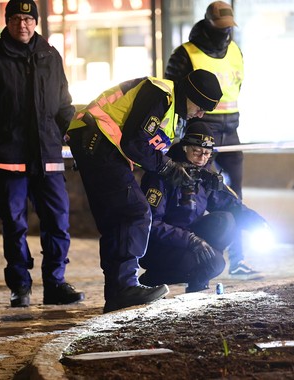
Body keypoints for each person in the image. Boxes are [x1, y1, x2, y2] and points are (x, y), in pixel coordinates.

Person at [66, 69, 223, 313]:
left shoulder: (171, 113)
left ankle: (117, 292)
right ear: (190, 94)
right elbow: (133, 142)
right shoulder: (160, 93)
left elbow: (148, 149)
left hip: (95, 143)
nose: (200, 114)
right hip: (98, 140)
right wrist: (168, 168)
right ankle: (126, 286)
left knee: (115, 220)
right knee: (136, 211)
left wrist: (183, 170)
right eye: (201, 107)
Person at [0, 0, 84, 308]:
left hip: (47, 153)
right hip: (9, 154)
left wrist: (75, 132)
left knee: (58, 221)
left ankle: (55, 283)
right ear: (7, 21)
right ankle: (20, 286)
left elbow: (63, 103)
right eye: (17, 18)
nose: (24, 24)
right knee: (15, 225)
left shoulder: (50, 54)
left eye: (29, 19)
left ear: (36, 22)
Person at [164, 2, 258, 277]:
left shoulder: (235, 50)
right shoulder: (185, 54)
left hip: (232, 130)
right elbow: (175, 94)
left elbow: (238, 86)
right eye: (221, 27)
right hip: (202, 131)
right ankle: (198, 255)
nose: (225, 32)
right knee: (204, 193)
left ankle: (239, 258)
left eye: (229, 27)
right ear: (207, 24)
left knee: (235, 194)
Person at [138, 124, 270, 292]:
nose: (201, 158)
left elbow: (229, 205)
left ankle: (198, 281)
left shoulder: (204, 176)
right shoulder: (163, 175)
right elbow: (151, 224)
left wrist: (257, 222)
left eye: (207, 153)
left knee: (225, 221)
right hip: (158, 246)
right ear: (185, 147)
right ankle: (153, 279)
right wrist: (190, 240)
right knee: (208, 263)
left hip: (187, 239)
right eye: (196, 151)